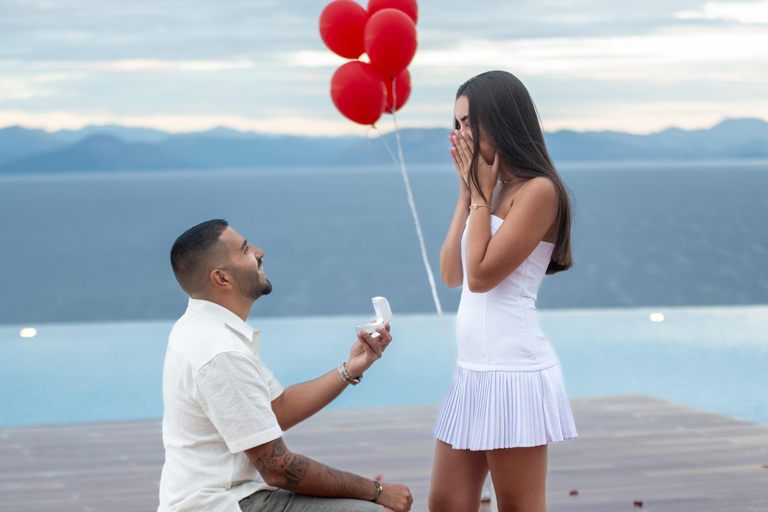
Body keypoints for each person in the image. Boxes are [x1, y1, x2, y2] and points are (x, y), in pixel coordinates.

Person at [159, 219, 413, 512]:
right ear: (222, 279)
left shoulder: (203, 328)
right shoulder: (221, 352)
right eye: (244, 250)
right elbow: (278, 468)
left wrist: (351, 368)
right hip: (221, 504)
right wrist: (377, 491)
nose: (259, 251)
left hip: (234, 494)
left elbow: (276, 409)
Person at [429, 71, 578, 512]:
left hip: (513, 373)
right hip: (473, 372)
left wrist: (478, 195)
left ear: (503, 119)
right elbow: (452, 274)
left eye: (470, 121)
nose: (462, 134)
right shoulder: (488, 192)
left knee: (518, 506)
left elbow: (480, 276)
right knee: (447, 503)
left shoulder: (539, 191)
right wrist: (467, 195)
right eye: (457, 124)